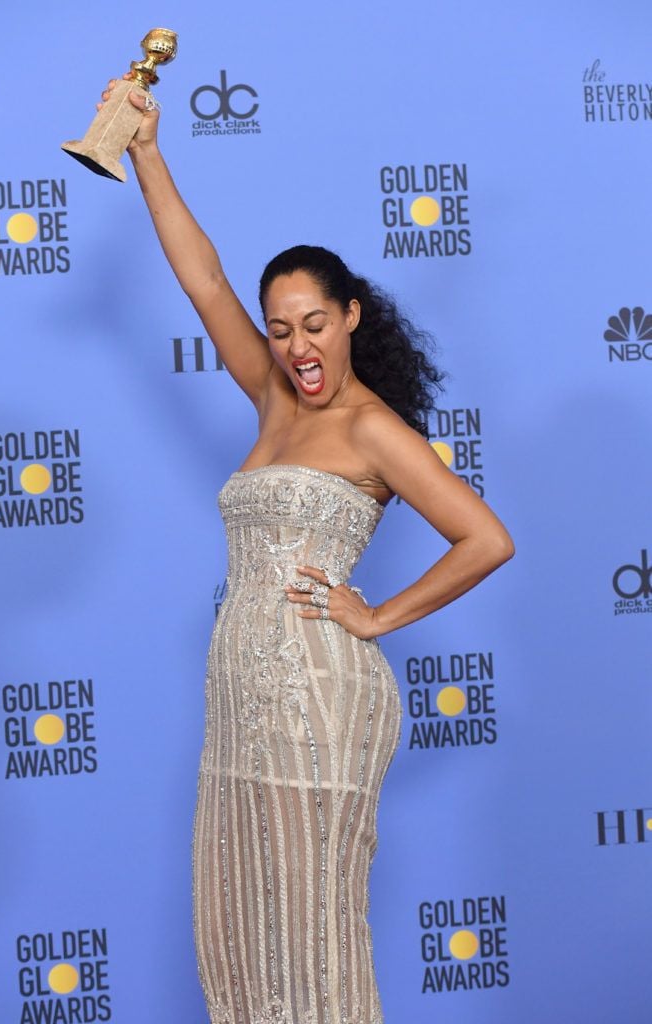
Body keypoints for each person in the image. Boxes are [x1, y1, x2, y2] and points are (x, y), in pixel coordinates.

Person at [99, 76, 515, 1024]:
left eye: (313, 325)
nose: (294, 348)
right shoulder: (274, 398)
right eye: (280, 331)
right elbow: (203, 279)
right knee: (239, 933)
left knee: (313, 939)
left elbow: (485, 537)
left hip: (320, 702)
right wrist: (149, 152)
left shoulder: (372, 430)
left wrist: (376, 614)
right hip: (239, 696)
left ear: (352, 316)